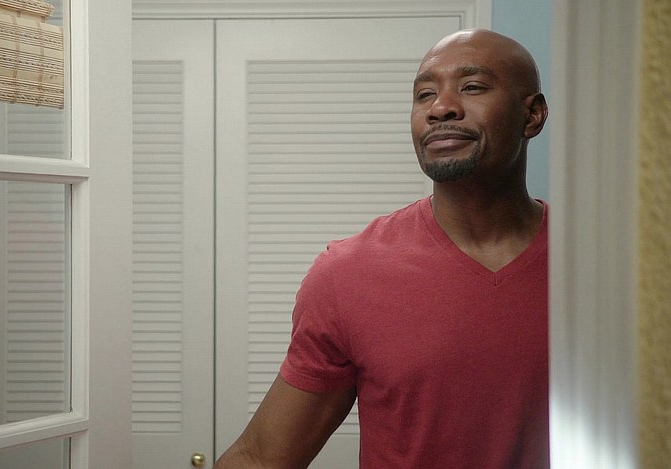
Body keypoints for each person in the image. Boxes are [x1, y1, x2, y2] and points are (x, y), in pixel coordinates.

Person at [214, 28, 550, 468]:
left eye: (472, 87)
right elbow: (261, 458)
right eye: (424, 94)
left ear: (532, 115)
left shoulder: (607, 266)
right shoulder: (347, 275)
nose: (440, 108)